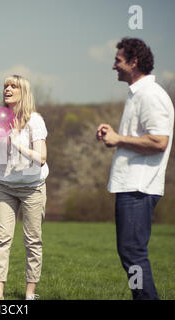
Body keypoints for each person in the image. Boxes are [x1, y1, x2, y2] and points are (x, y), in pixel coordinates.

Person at [97, 37, 174, 300]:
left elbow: (159, 141)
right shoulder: (138, 94)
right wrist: (115, 135)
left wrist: (119, 139)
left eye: (118, 61)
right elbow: (143, 137)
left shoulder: (150, 95)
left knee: (133, 254)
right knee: (131, 253)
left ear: (134, 62)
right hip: (132, 185)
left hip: (139, 187)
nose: (113, 66)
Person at [0, 75, 49, 300]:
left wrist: (17, 145)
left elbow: (41, 158)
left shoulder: (35, 121)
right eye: (5, 86)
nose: (7, 89)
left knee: (32, 240)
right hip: (6, 187)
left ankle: (30, 294)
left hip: (32, 187)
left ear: (23, 92)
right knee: (1, 239)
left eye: (13, 86)